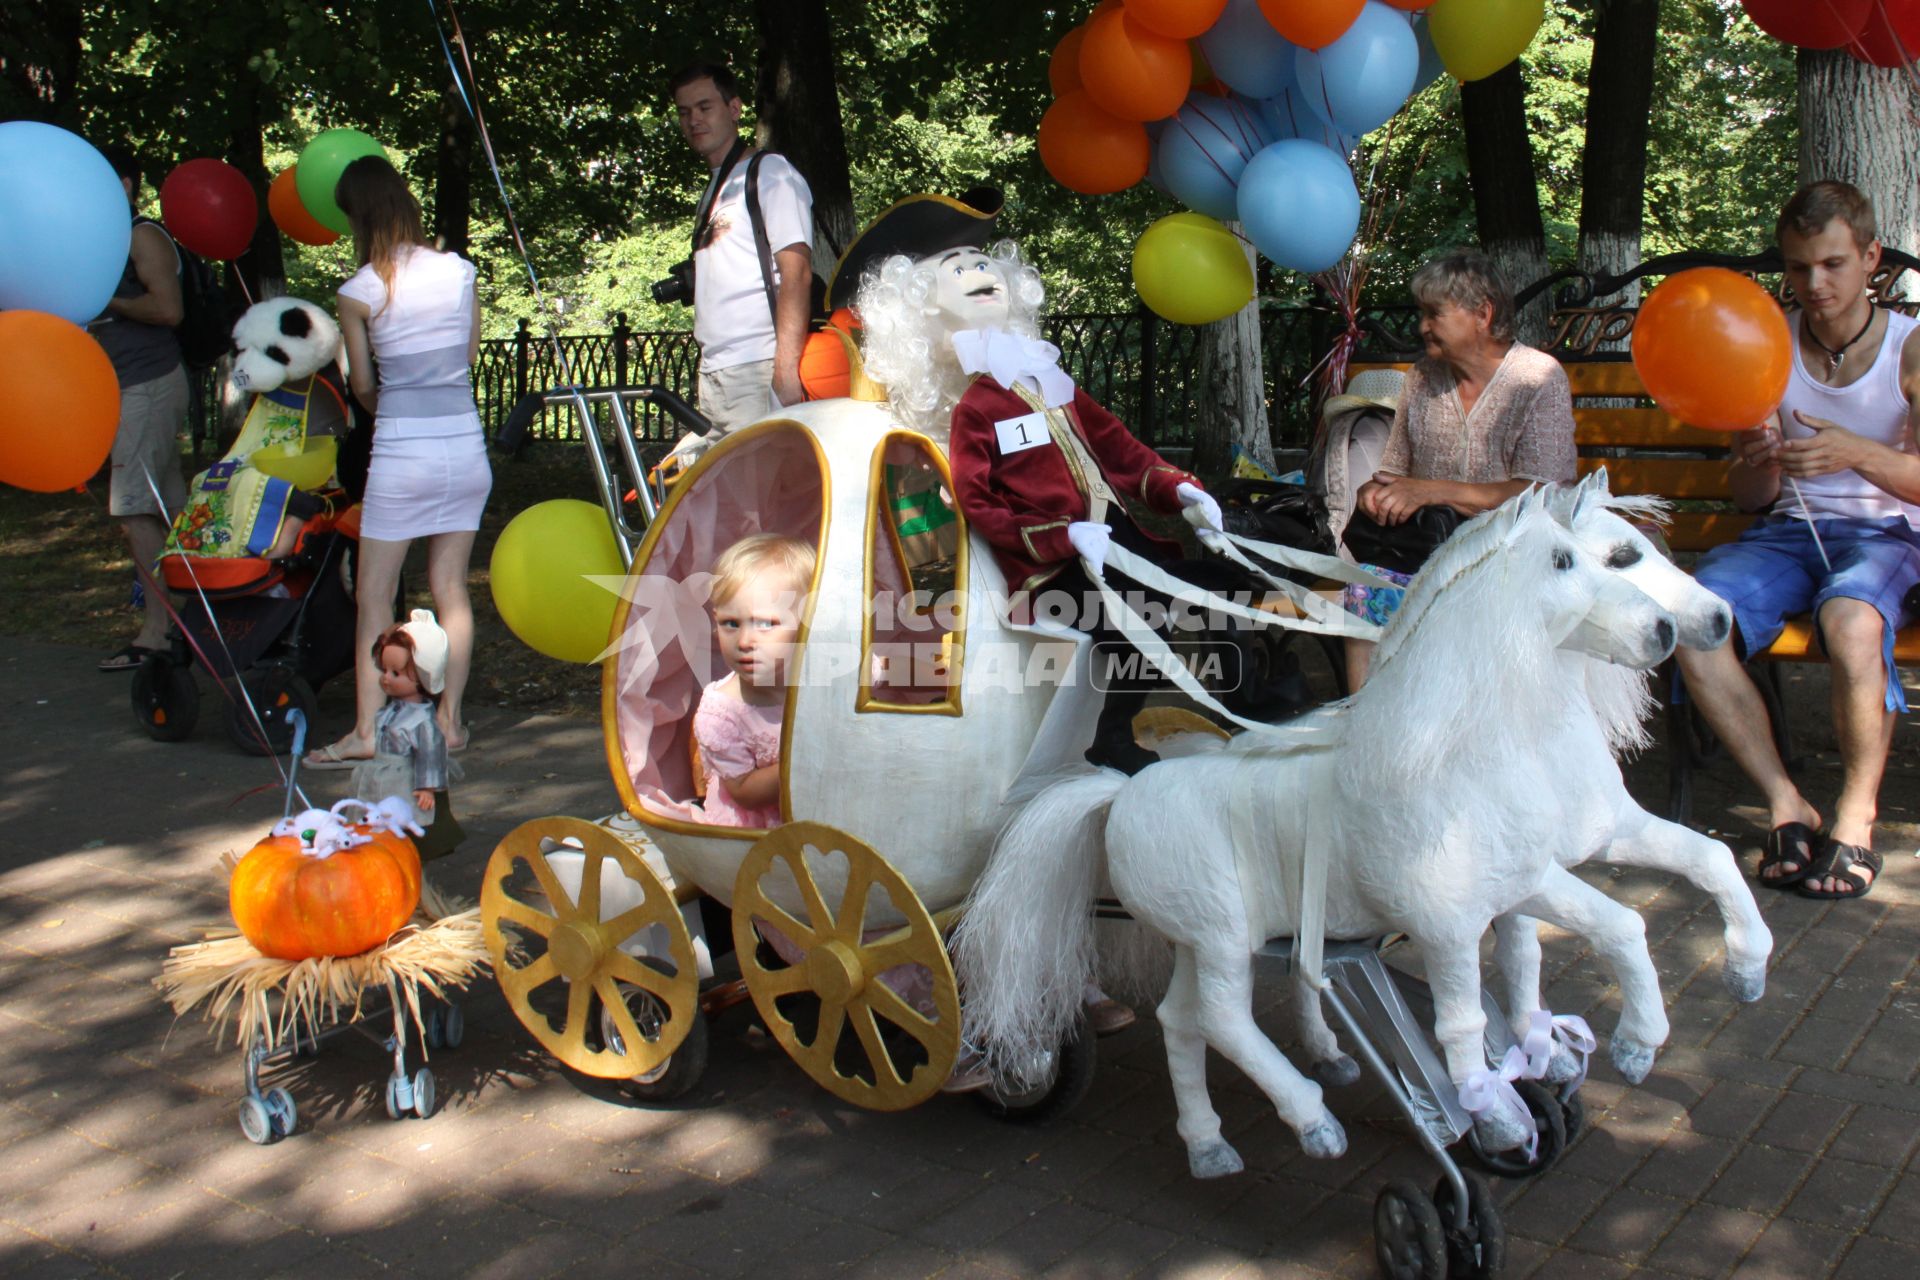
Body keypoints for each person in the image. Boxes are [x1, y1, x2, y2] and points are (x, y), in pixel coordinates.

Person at [1674, 181, 1920, 902]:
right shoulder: (1764, 339)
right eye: (1799, 266)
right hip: (1788, 533)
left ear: (1871, 258)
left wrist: (1856, 453)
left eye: (1834, 264)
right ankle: (1787, 800)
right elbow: (1751, 498)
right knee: (1696, 616)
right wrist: (1755, 460)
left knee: (1850, 622)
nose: (1814, 284)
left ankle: (1855, 816)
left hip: (1888, 535)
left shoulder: (1910, 348)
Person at [304, 156, 489, 771]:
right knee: (451, 591)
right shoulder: (459, 272)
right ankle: (451, 722)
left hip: (402, 452)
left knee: (375, 597)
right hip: (464, 445)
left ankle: (365, 729)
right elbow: (467, 352)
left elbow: (361, 385)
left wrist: (397, 401)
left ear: (359, 216)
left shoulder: (358, 292)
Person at [1341, 249, 1578, 689]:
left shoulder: (1538, 377)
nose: (1422, 326)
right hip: (1428, 551)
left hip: (1511, 557)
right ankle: (1364, 726)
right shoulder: (1422, 376)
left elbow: (1539, 494)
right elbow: (1394, 471)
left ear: (1482, 314)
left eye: (1434, 314)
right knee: (1367, 585)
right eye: (1421, 313)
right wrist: (1373, 493)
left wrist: (1429, 491)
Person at [669, 61, 814, 438]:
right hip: (715, 372)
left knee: (766, 494)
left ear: (734, 109)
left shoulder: (770, 173)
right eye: (684, 112)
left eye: (704, 107)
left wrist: (784, 372)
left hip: (758, 368)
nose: (694, 120)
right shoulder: (716, 187)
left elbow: (796, 272)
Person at [91, 147, 190, 673]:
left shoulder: (140, 236)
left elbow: (168, 309)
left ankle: (157, 632)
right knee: (170, 505)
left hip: (147, 385)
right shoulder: (95, 242)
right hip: (122, 388)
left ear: (125, 185)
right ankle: (206, 607)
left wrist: (107, 300)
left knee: (133, 507)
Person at [692, 533, 814, 827]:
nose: (745, 640)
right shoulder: (721, 714)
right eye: (730, 624)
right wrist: (815, 760)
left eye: (765, 624)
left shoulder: (824, 672)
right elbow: (745, 792)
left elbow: (880, 671)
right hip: (760, 836)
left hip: (826, 812)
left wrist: (938, 671)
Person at [352, 610, 464, 861]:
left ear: (423, 678)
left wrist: (426, 786)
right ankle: (388, 848)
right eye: (385, 670)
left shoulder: (422, 720)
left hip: (408, 778)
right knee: (384, 816)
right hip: (385, 775)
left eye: (396, 673)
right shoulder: (393, 710)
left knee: (412, 819)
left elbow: (430, 751)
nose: (386, 679)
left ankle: (416, 851)